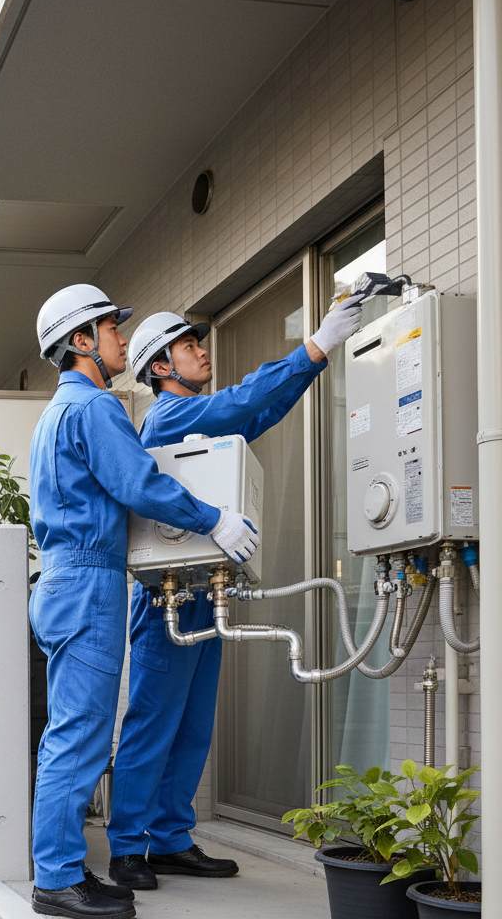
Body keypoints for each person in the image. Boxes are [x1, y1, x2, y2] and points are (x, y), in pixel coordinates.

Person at [105, 295, 363, 890]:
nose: (203, 351)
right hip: (167, 597)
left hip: (200, 590)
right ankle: (126, 849)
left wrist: (311, 365)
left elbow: (257, 411)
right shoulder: (170, 418)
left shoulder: (199, 418)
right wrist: (315, 346)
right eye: (189, 345)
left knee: (193, 724)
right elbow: (246, 399)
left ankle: (169, 839)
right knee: (152, 723)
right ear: (161, 367)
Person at [27, 284, 260, 919]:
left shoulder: (57, 414)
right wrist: (213, 518)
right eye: (109, 329)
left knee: (75, 732)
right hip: (87, 582)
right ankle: (56, 881)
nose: (120, 339)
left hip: (68, 581)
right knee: (78, 737)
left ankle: (69, 868)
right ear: (81, 342)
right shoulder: (95, 408)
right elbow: (139, 483)